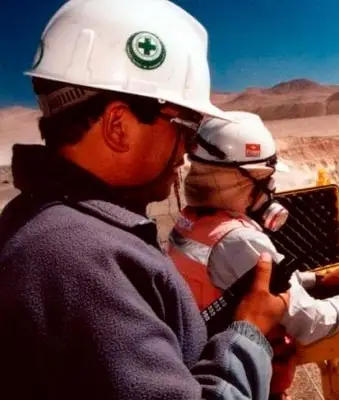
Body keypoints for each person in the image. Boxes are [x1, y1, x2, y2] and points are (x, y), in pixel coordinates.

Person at [0, 1, 289, 399]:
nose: (187, 149)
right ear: (119, 126)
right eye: (185, 126)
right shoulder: (79, 260)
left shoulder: (52, 225)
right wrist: (250, 333)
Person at [167, 110, 339, 400]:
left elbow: (245, 283)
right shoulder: (242, 240)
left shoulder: (189, 223)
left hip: (208, 361)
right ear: (245, 178)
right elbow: (311, 323)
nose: (271, 189)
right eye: (266, 178)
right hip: (243, 380)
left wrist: (316, 280)